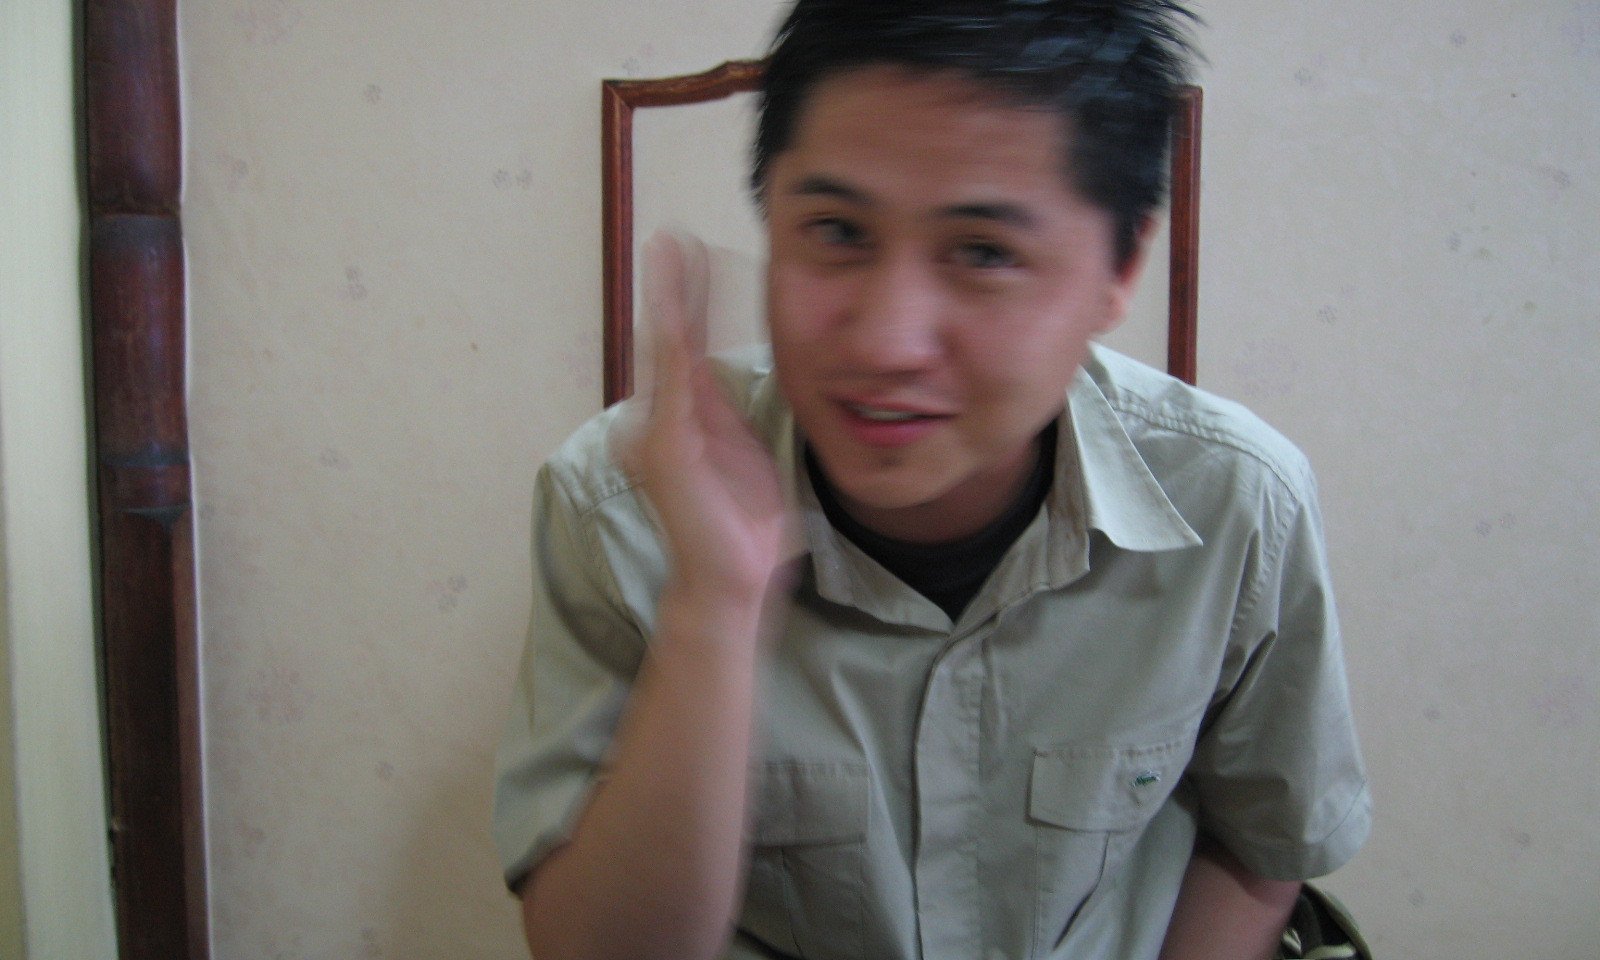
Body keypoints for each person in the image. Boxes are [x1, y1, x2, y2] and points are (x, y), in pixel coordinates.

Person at [493, 2, 1371, 958]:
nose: (886, 341)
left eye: (984, 252)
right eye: (837, 232)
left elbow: (1260, 848)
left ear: (1119, 267)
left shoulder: (1238, 503)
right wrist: (714, 603)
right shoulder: (615, 507)